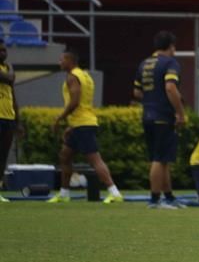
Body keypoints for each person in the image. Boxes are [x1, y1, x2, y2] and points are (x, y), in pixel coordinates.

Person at [47, 51, 123, 204]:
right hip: (81, 123)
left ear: (70, 60)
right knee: (65, 156)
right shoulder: (85, 75)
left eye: (62, 60)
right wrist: (71, 126)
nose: (59, 62)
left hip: (82, 123)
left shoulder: (72, 77)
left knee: (95, 160)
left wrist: (59, 118)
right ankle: (64, 193)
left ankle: (114, 192)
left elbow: (75, 101)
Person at [133, 31, 186, 209]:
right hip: (163, 116)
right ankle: (155, 200)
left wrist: (152, 100)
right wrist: (180, 113)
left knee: (162, 159)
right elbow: (170, 87)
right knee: (159, 158)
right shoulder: (170, 63)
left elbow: (137, 92)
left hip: (148, 115)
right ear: (171, 46)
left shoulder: (144, 63)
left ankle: (169, 197)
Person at [0, 39, 22, 202]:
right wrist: (11, 72)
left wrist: (18, 121)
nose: (3, 53)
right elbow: (9, 78)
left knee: (2, 156)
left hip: (8, 118)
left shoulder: (6, 68)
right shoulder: (7, 71)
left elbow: (13, 96)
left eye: (4, 50)